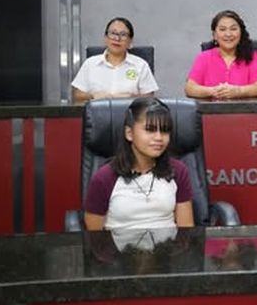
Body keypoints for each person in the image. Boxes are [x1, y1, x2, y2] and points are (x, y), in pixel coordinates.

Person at [84, 97, 195, 230]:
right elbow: (95, 237)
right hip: (119, 243)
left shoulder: (178, 171)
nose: (159, 137)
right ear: (129, 133)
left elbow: (186, 230)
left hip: (168, 243)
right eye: (150, 129)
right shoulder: (105, 177)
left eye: (165, 130)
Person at [185, 10, 257, 99]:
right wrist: (214, 91)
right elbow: (190, 88)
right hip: (212, 108)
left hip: (244, 108)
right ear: (214, 35)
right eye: (222, 29)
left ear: (241, 33)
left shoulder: (253, 57)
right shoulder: (204, 58)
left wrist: (238, 91)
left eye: (233, 29)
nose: (228, 34)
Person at [71, 17, 158, 104]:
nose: (117, 39)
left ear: (130, 41)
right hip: (97, 112)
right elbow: (76, 96)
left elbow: (149, 98)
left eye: (123, 35)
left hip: (130, 112)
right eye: (113, 33)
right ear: (105, 38)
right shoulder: (90, 64)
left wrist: (132, 98)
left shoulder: (141, 65)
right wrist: (92, 96)